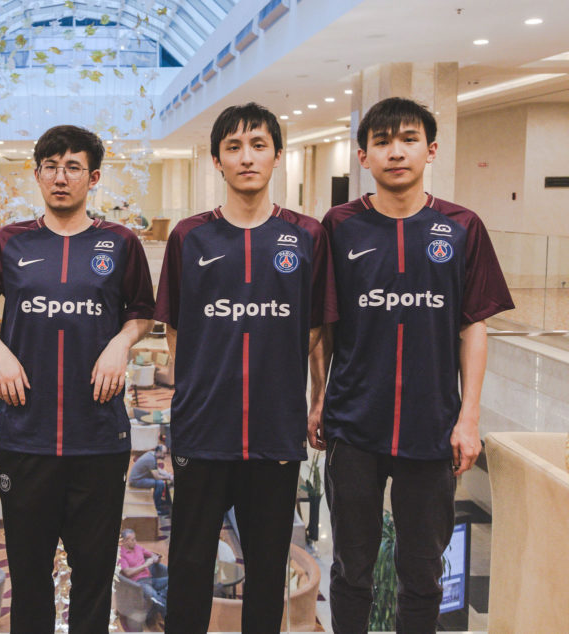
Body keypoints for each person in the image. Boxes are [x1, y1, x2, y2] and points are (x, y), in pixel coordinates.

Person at [311, 97, 514, 633]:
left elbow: (473, 326)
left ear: (431, 149)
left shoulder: (462, 227)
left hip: (432, 425)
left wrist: (468, 417)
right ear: (363, 156)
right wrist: (318, 397)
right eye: (382, 142)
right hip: (354, 422)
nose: (396, 152)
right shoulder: (339, 226)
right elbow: (325, 324)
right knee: (351, 569)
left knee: (422, 575)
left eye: (408, 139)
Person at [0, 124, 155, 632]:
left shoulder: (120, 242)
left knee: (94, 578)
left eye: (73, 167)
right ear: (36, 175)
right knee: (29, 581)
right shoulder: (8, 242)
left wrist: (121, 342)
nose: (60, 177)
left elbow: (143, 312)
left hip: (99, 437)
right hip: (26, 437)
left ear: (94, 178)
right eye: (50, 167)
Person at [155, 102, 336, 632]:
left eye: (258, 145)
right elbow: (175, 329)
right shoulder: (190, 236)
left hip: (275, 431)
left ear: (278, 155)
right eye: (233, 147)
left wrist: (312, 394)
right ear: (217, 160)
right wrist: (201, 383)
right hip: (202, 429)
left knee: (267, 570)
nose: (247, 157)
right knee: (189, 566)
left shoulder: (307, 236)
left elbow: (315, 327)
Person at [119, 529, 168, 616]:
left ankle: (160, 596)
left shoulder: (138, 547)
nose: (135, 541)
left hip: (150, 580)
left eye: (135, 539)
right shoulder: (121, 555)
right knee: (159, 601)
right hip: (139, 584)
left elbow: (152, 554)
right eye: (132, 540)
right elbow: (127, 572)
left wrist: (155, 558)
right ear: (125, 541)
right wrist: (145, 565)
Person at [128, 444, 173, 514]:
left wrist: (168, 475)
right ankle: (158, 508)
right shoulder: (151, 459)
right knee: (160, 483)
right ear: (159, 452)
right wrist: (169, 477)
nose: (165, 455)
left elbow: (157, 469)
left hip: (139, 478)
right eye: (164, 453)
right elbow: (157, 477)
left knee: (162, 480)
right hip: (136, 481)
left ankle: (164, 502)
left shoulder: (151, 454)